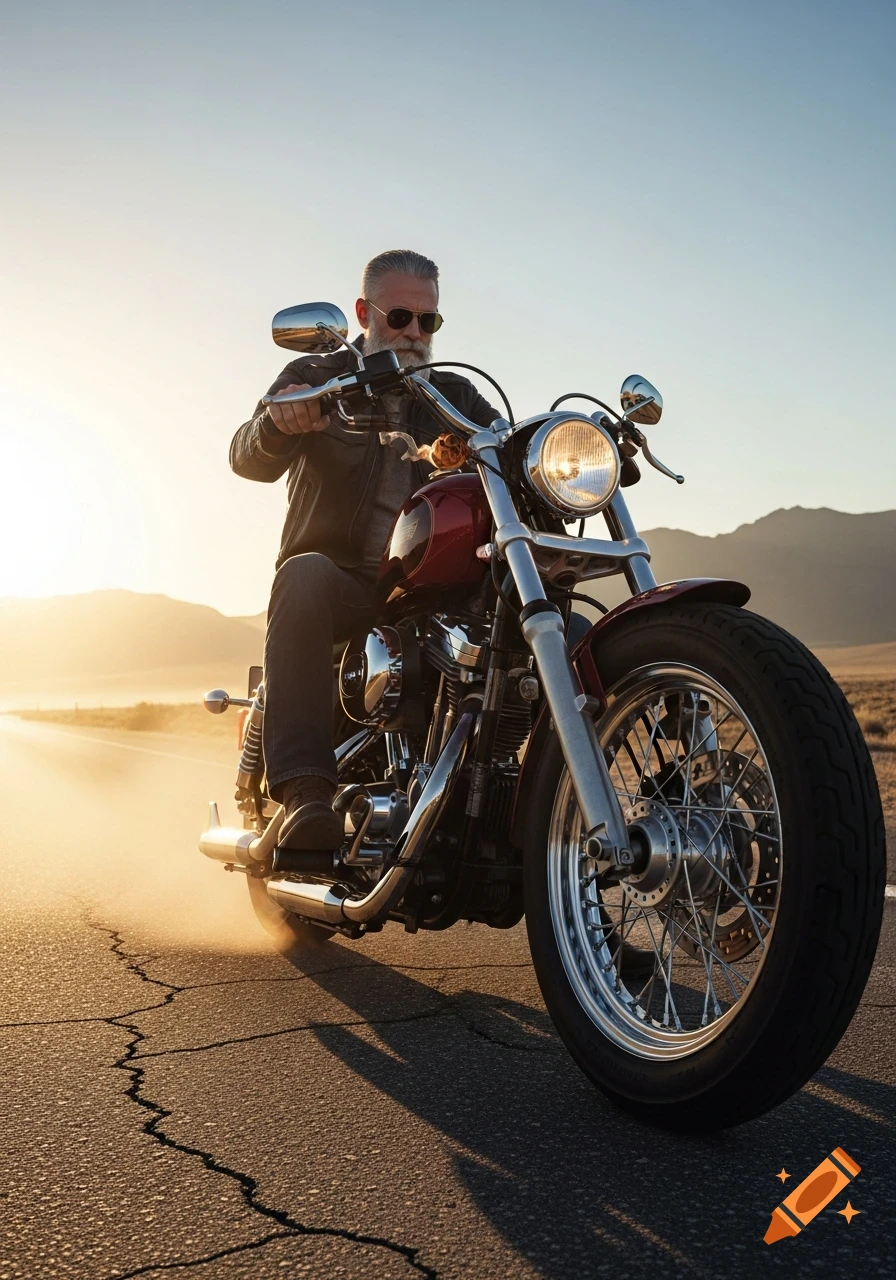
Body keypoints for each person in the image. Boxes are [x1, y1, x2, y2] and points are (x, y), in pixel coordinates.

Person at [230, 250, 500, 849]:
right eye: (400, 316)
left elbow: (504, 452)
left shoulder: (455, 395)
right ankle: (304, 795)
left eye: (428, 322)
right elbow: (246, 455)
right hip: (346, 585)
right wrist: (280, 424)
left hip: (431, 592)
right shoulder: (319, 376)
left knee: (549, 618)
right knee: (303, 576)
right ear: (363, 312)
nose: (414, 334)